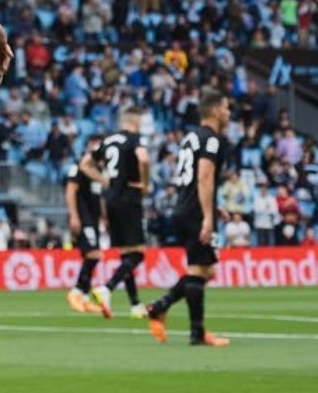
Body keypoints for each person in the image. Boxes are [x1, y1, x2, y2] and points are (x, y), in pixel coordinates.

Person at [145, 92, 232, 347]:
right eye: (226, 108)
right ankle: (194, 331)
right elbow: (203, 177)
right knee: (198, 271)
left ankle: (164, 308)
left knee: (207, 270)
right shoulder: (212, 140)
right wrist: (208, 216)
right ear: (215, 111)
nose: (229, 113)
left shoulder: (191, 137)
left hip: (184, 207)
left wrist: (216, 208)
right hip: (195, 212)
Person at [87, 108, 151, 319]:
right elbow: (143, 158)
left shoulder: (107, 140)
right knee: (138, 253)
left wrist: (105, 181)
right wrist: (145, 184)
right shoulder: (134, 139)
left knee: (126, 254)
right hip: (129, 198)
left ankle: (135, 305)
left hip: (112, 198)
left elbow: (85, 164)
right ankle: (107, 288)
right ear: (134, 120)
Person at [64, 136, 105, 315]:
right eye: (94, 144)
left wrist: (104, 216)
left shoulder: (99, 170)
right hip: (82, 216)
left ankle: (85, 298)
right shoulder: (79, 165)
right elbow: (70, 190)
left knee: (92, 255)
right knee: (94, 254)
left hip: (93, 217)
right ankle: (77, 292)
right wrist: (74, 216)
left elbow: (99, 196)